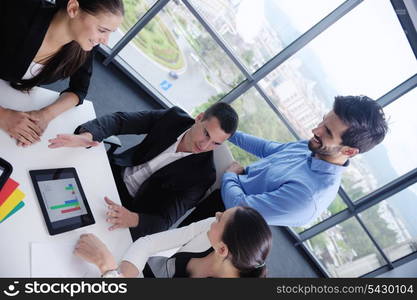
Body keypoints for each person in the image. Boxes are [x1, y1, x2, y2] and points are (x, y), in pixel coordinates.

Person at [180, 95, 388, 227]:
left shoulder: (308, 197)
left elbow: (240, 206)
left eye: (327, 131)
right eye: (322, 121)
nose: (315, 131)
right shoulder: (314, 147)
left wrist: (231, 177)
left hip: (228, 222)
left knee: (172, 260)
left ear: (349, 151)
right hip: (226, 192)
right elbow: (267, 149)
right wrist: (226, 133)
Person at [48, 103, 239, 240]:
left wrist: (133, 219)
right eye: (206, 133)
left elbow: (165, 221)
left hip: (128, 208)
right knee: (52, 188)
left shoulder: (203, 176)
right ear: (199, 118)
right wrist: (87, 136)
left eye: (215, 143)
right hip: (113, 173)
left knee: (69, 234)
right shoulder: (173, 118)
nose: (205, 145)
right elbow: (120, 121)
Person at [0, 0, 124, 147]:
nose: (105, 41)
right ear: (73, 8)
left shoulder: (83, 45)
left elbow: (79, 89)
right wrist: (4, 116)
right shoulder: (16, 13)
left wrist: (45, 115)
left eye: (110, 33)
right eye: (102, 30)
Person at [74, 206, 272, 278]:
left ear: (221, 250)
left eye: (221, 218)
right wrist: (124, 275)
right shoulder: (212, 228)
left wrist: (107, 268)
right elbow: (149, 243)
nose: (216, 214)